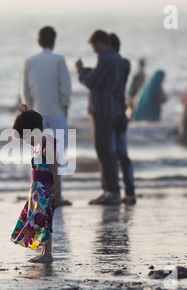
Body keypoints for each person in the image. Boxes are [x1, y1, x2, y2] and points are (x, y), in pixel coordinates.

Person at [20, 26, 71, 206]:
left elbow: (25, 90)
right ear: (53, 41)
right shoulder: (59, 60)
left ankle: (35, 195)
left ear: (39, 40)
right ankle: (58, 196)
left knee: (36, 158)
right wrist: (64, 106)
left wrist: (29, 112)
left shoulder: (30, 61)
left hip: (37, 115)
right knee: (57, 158)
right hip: (57, 113)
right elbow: (65, 87)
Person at [75, 30, 125, 205]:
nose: (94, 49)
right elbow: (107, 82)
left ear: (100, 42)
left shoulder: (106, 59)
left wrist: (80, 70)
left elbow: (91, 83)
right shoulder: (117, 59)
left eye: (94, 45)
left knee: (103, 151)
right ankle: (109, 190)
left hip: (101, 109)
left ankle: (111, 191)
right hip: (111, 108)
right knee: (107, 151)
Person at [10, 105, 61, 263]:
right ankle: (45, 252)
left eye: (26, 138)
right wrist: (27, 112)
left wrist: (58, 193)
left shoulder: (47, 148)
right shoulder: (39, 144)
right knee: (40, 220)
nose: (26, 142)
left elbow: (56, 171)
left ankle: (48, 254)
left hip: (46, 192)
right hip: (38, 192)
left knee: (45, 222)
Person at [109, 33, 136, 205]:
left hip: (110, 113)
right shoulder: (125, 63)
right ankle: (130, 191)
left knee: (112, 155)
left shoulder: (110, 64)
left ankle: (116, 192)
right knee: (123, 155)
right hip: (122, 112)